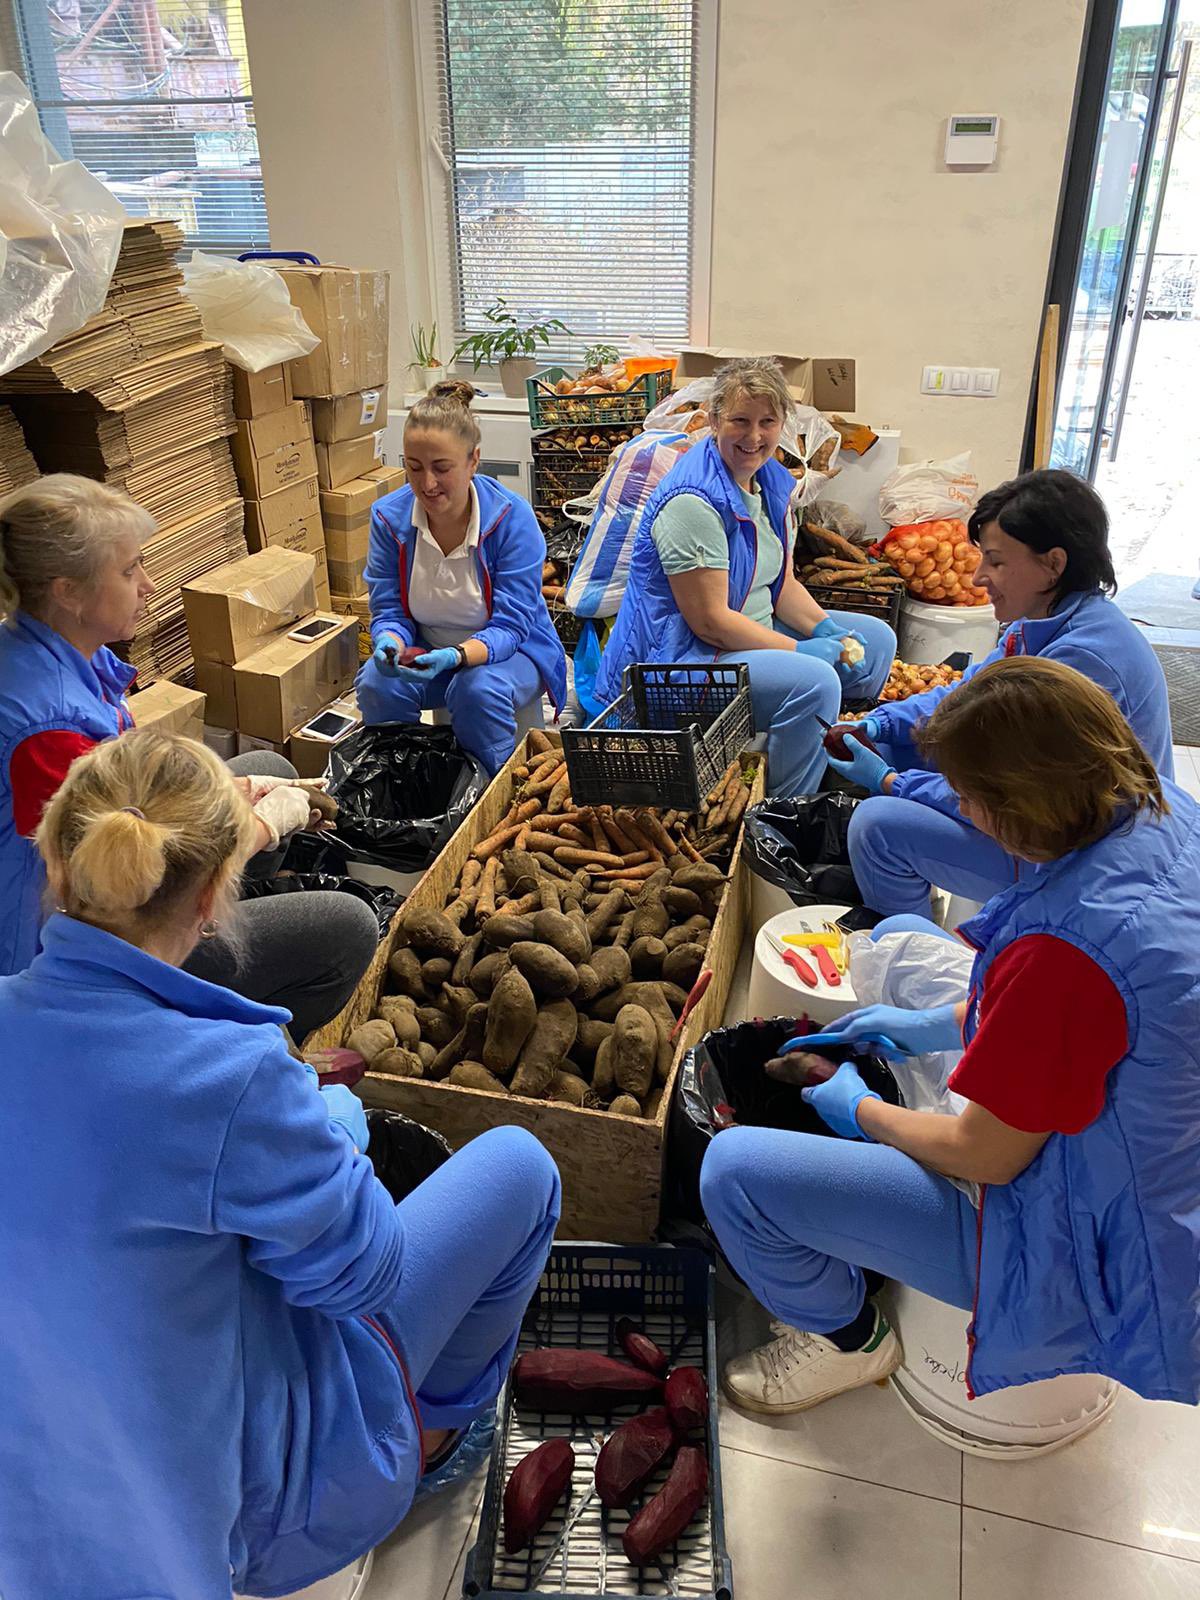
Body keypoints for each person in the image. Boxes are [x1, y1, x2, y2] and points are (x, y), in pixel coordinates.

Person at [0, 728, 561, 1600]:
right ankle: (433, 1443)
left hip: (39, 1483)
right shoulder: (237, 1077)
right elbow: (367, 1275)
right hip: (238, 1506)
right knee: (525, 1167)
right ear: (219, 896)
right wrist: (336, 1126)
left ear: (58, 866)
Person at [701, 657, 1200, 1414]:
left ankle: (851, 1343)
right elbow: (1091, 1009)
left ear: (1011, 807)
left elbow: (989, 1156)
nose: (960, 812)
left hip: (1101, 1247)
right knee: (901, 934)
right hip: (1149, 1150)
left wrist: (857, 1110)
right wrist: (937, 1022)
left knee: (733, 1172)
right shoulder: (1162, 814)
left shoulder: (1065, 959)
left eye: (966, 799)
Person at [0, 474, 378, 1037]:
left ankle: (214, 936)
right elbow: (125, 879)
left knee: (265, 770)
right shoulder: (47, 727)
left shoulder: (56, 653)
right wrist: (261, 827)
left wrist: (239, 803)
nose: (148, 585)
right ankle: (227, 1050)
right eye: (128, 572)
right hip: (81, 953)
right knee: (348, 927)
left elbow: (134, 798)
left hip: (113, 889)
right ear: (67, 591)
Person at [828, 468, 1174, 918]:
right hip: (1053, 817)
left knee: (877, 827)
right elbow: (964, 698)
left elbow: (1015, 803)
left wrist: (893, 783)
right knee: (897, 743)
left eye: (996, 561)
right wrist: (879, 722)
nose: (977, 578)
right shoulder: (1047, 621)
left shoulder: (1081, 663)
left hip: (1089, 863)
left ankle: (909, 957)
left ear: (1053, 563)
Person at [593, 356, 896, 796]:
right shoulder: (692, 502)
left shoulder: (767, 481)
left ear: (782, 425)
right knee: (815, 682)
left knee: (878, 639)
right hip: (678, 663)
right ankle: (782, 806)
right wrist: (801, 649)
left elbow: (782, 584)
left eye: (767, 422)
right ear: (714, 420)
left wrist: (826, 629)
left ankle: (821, 747)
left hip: (745, 629)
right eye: (740, 420)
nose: (754, 436)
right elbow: (711, 623)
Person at [357, 381, 567, 775]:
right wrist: (389, 642)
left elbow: (511, 626)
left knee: (477, 690)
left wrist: (457, 656)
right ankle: (404, 784)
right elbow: (389, 609)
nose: (426, 484)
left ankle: (496, 798)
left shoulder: (511, 520)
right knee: (375, 683)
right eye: (413, 467)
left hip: (511, 653)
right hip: (429, 650)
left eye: (441, 468)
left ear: (474, 461)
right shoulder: (389, 519)